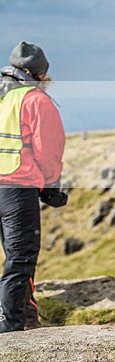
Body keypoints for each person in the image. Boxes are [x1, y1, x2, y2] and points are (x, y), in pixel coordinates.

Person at [0, 41, 66, 333]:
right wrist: (51, 187)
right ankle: (11, 328)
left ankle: (26, 316)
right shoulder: (35, 100)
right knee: (20, 258)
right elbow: (48, 151)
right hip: (17, 186)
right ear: (40, 74)